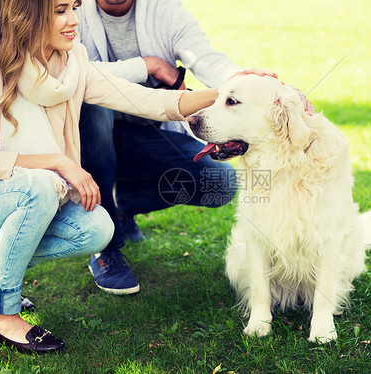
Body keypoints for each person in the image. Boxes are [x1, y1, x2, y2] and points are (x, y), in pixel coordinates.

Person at [0, 0, 219, 354]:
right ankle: (0, 314)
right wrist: (59, 162)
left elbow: (147, 101)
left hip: (11, 202)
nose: (73, 20)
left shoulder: (72, 62)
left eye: (74, 7)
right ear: (27, 12)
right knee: (38, 183)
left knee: (97, 227)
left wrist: (228, 94)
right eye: (59, 10)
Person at [76, 0, 275, 296]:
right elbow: (74, 70)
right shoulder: (71, 10)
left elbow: (203, 55)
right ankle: (105, 247)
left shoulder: (164, 9)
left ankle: (119, 210)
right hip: (89, 141)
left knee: (220, 182)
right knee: (93, 106)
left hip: (151, 135)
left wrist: (242, 79)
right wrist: (149, 65)